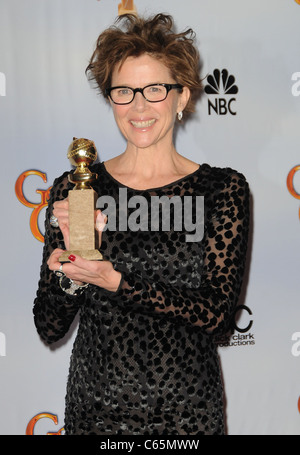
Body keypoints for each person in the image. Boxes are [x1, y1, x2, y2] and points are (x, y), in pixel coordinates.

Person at [33, 13, 250, 435]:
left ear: (182, 96)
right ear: (110, 97)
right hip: (97, 413)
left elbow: (217, 317)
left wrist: (117, 282)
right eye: (124, 91)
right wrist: (74, 272)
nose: (138, 106)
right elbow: (49, 324)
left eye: (154, 89)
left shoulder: (221, 189)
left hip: (188, 416)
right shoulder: (79, 189)